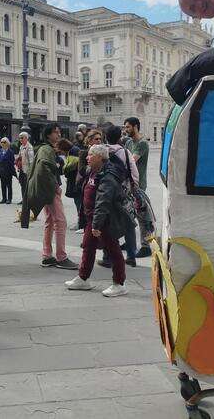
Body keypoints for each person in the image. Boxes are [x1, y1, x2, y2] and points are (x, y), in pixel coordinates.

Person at [65, 144, 131, 297]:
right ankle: (83, 278)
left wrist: (97, 224)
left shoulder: (108, 176)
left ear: (100, 157)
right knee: (88, 247)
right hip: (92, 220)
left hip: (104, 221)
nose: (87, 157)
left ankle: (119, 283)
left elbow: (103, 201)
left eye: (91, 155)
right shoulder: (92, 172)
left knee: (113, 250)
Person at [22, 124, 78, 269]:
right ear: (48, 135)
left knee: (50, 221)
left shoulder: (45, 148)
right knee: (61, 222)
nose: (58, 135)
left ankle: (47, 256)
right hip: (49, 190)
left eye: (59, 132)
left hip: (45, 190)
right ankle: (61, 257)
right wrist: (55, 187)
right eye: (55, 132)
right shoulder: (46, 149)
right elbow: (44, 170)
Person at [98, 126, 139, 269]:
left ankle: (107, 257)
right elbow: (134, 174)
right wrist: (131, 188)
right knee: (129, 222)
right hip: (124, 192)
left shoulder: (101, 151)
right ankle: (131, 256)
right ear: (120, 137)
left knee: (108, 223)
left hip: (107, 191)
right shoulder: (126, 153)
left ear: (105, 136)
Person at [123, 117, 154, 258]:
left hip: (139, 185)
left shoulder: (142, 144)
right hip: (129, 184)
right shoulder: (129, 142)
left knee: (142, 216)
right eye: (125, 127)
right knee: (129, 213)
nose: (125, 130)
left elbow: (131, 161)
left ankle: (146, 246)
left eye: (128, 127)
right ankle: (129, 240)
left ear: (136, 127)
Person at [75, 129, 103, 234]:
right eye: (96, 139)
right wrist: (93, 165)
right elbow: (82, 170)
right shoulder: (84, 153)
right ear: (90, 140)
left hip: (100, 186)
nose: (99, 141)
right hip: (88, 185)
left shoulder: (103, 152)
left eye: (100, 139)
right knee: (87, 211)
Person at [17, 132, 34, 206]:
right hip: (22, 169)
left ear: (26, 138)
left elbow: (31, 160)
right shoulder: (21, 147)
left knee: (27, 186)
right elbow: (19, 156)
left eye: (22, 138)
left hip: (27, 170)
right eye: (20, 138)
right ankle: (24, 199)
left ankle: (28, 200)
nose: (20, 139)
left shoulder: (29, 147)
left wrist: (30, 171)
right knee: (22, 184)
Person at [0, 137, 15, 204]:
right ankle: (4, 198)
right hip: (1, 171)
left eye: (4, 142)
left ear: (7, 143)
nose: (3, 143)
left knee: (9, 185)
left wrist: (12, 171)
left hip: (8, 171)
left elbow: (12, 162)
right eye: (1, 142)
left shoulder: (11, 152)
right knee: (3, 185)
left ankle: (9, 199)